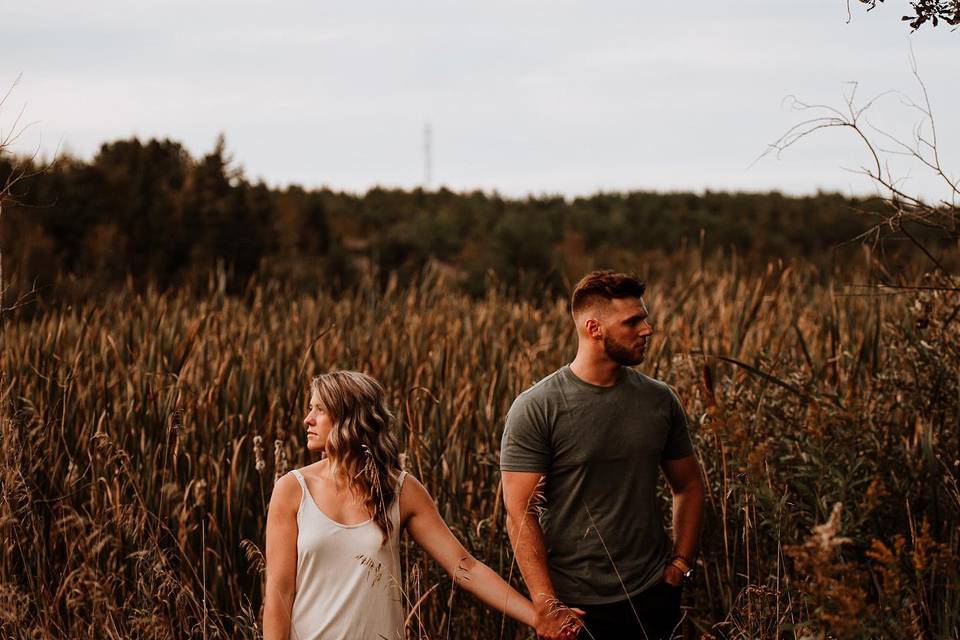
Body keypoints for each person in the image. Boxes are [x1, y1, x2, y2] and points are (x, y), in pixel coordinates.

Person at [500, 270, 705, 640]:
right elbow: (519, 512)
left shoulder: (660, 401)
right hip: (575, 608)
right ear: (594, 329)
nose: (647, 329)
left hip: (653, 596)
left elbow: (688, 484)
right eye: (633, 321)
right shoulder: (537, 408)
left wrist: (680, 566)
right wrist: (546, 604)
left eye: (644, 317)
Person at [263, 370, 537, 640]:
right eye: (310, 408)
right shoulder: (292, 490)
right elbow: (279, 594)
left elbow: (466, 567)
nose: (307, 419)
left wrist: (538, 617)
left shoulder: (399, 490)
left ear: (349, 418)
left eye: (319, 410)